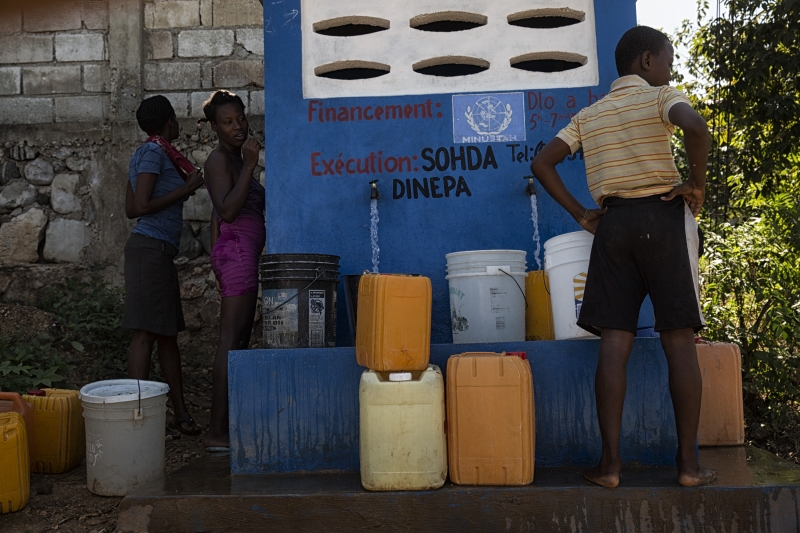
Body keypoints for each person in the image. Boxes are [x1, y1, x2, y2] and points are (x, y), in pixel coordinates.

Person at [530, 26, 716, 488]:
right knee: (678, 339)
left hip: (613, 226)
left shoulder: (588, 115)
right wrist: (696, 184)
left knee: (615, 342)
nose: (670, 69)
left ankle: (609, 467)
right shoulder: (660, 98)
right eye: (668, 60)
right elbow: (694, 126)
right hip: (666, 218)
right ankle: (690, 468)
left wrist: (581, 214)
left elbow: (541, 163)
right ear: (646, 61)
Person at [124, 95, 205, 438]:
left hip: (158, 251)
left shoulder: (148, 153)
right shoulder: (155, 153)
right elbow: (140, 206)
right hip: (149, 250)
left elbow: (130, 207)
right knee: (145, 333)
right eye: (176, 119)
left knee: (168, 335)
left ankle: (180, 414)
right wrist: (186, 189)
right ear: (169, 120)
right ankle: (137, 418)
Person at [200, 90, 265, 452]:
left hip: (238, 254)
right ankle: (216, 433)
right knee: (229, 341)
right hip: (238, 253)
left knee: (239, 341)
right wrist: (252, 166)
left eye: (240, 118)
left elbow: (213, 214)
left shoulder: (236, 160)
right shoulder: (218, 161)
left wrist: (214, 256)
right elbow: (226, 210)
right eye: (228, 122)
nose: (237, 126)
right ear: (214, 127)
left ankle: (225, 428)